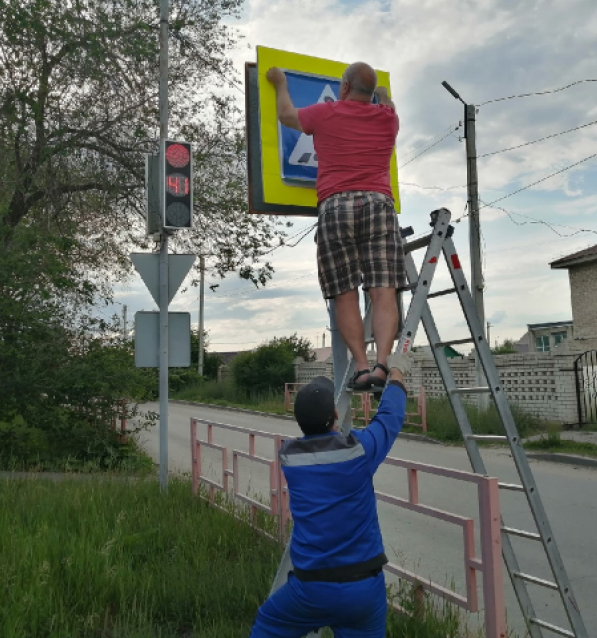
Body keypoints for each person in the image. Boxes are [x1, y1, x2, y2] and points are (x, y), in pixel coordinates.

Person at [249, 353, 413, 638]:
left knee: (268, 624)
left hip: (311, 588)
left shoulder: (289, 456)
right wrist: (397, 373)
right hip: (363, 585)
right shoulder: (359, 451)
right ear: (336, 416)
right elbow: (390, 418)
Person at [266, 62, 408, 391]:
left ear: (343, 87)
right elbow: (388, 102)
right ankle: (383, 364)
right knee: (384, 290)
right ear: (371, 94)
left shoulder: (326, 113)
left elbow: (286, 115)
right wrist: (383, 94)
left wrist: (280, 82)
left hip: (336, 206)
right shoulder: (388, 119)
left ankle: (361, 367)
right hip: (378, 203)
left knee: (344, 294)